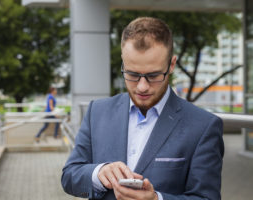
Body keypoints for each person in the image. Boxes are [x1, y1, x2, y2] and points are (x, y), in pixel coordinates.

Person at [61, 17, 224, 200]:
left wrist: (156, 199)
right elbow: (69, 176)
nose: (142, 87)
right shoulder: (97, 112)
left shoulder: (203, 126)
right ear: (123, 63)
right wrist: (98, 173)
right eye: (132, 74)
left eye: (153, 75)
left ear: (171, 64)